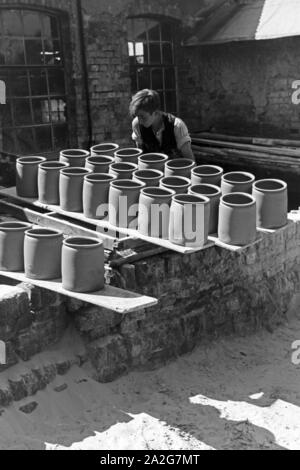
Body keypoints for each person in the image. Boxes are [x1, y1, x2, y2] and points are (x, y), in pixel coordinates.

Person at [130, 89, 195, 161]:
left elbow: (190, 161)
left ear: (155, 112)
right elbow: (140, 156)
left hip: (175, 170)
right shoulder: (137, 124)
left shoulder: (177, 126)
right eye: (137, 116)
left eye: (142, 117)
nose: (140, 121)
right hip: (151, 169)